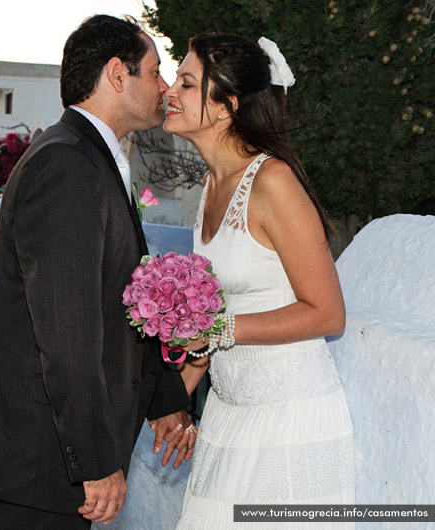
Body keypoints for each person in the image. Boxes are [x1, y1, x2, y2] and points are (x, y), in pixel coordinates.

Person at [0, 15, 194, 529]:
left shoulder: (90, 158)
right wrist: (94, 460)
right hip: (41, 461)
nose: (165, 86)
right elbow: (67, 332)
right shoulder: (66, 164)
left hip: (47, 457)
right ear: (116, 74)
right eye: (155, 72)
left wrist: (165, 397)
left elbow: (122, 297)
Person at [161, 34, 355, 528]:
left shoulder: (272, 182)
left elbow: (327, 312)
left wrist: (221, 329)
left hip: (289, 416)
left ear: (225, 105)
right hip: (229, 412)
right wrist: (175, 400)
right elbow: (213, 317)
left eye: (186, 82)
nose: (170, 91)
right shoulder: (209, 187)